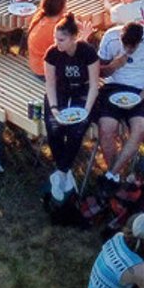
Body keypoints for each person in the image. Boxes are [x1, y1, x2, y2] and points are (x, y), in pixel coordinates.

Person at [94, 19, 144, 179]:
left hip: (141, 89)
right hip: (112, 86)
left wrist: (139, 98)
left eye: (132, 47)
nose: (127, 50)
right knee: (106, 128)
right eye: (124, 45)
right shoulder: (110, 37)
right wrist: (114, 66)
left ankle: (112, 174)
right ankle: (115, 176)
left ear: (141, 40)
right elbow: (99, 72)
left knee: (140, 127)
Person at [42, 13, 101, 197]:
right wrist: (53, 108)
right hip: (59, 92)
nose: (56, 43)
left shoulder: (87, 52)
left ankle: (60, 172)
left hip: (82, 92)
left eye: (61, 39)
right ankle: (65, 173)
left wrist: (86, 110)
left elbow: (94, 85)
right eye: (55, 38)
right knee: (54, 128)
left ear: (74, 38)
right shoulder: (52, 53)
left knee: (77, 130)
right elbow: (50, 84)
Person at [24, 0, 67, 79]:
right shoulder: (54, 30)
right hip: (44, 71)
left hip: (36, 64)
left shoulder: (42, 16)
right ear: (62, 8)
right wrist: (85, 36)